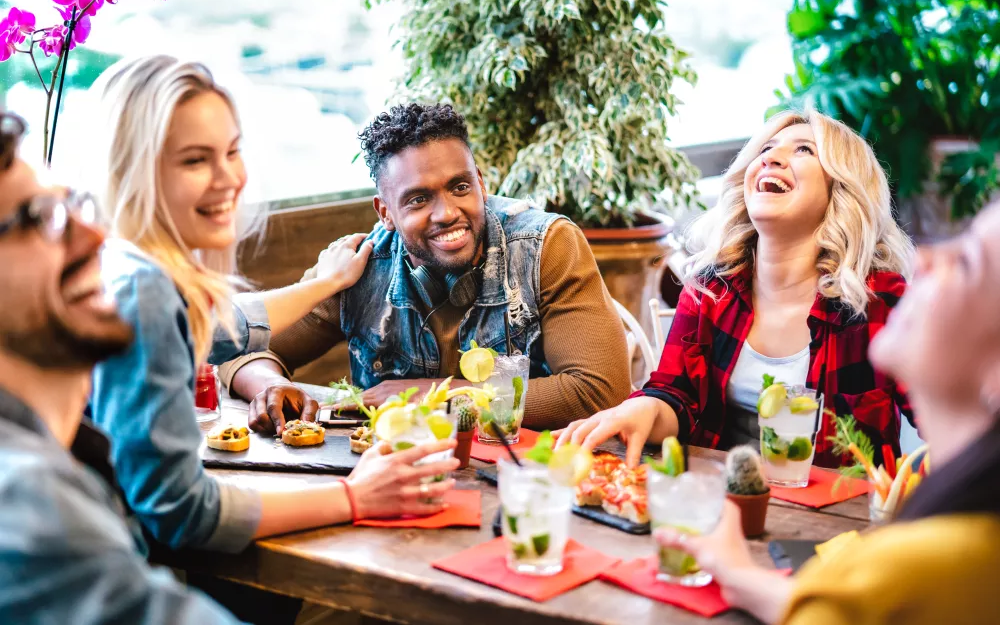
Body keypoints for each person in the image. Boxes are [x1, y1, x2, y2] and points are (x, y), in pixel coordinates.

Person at [85, 56, 458, 557]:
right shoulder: (143, 291)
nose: (228, 179)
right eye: (195, 160)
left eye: (233, 152)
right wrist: (356, 495)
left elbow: (222, 325)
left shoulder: (120, 265)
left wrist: (325, 283)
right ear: (132, 171)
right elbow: (181, 513)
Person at [654, 199, 1000, 625]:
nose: (925, 257)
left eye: (967, 263)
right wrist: (744, 576)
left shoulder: (905, 567)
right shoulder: (934, 563)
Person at [222, 103, 631, 435]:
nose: (447, 213)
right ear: (385, 212)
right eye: (418, 200)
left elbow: (598, 391)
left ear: (481, 184)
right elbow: (232, 346)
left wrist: (436, 396)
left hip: (525, 479)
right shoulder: (359, 266)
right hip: (389, 483)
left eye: (460, 187)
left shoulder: (547, 245)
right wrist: (270, 385)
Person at [556, 109, 916, 467]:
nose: (771, 157)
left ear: (842, 188)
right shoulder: (711, 289)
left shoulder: (882, 301)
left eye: (804, 150)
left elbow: (952, 420)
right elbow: (676, 396)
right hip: (719, 503)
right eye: (766, 149)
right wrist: (643, 408)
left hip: (842, 517)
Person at [0, 109, 243, 623]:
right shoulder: (29, 505)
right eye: (40, 218)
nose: (94, 238)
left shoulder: (64, 460)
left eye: (71, 207)